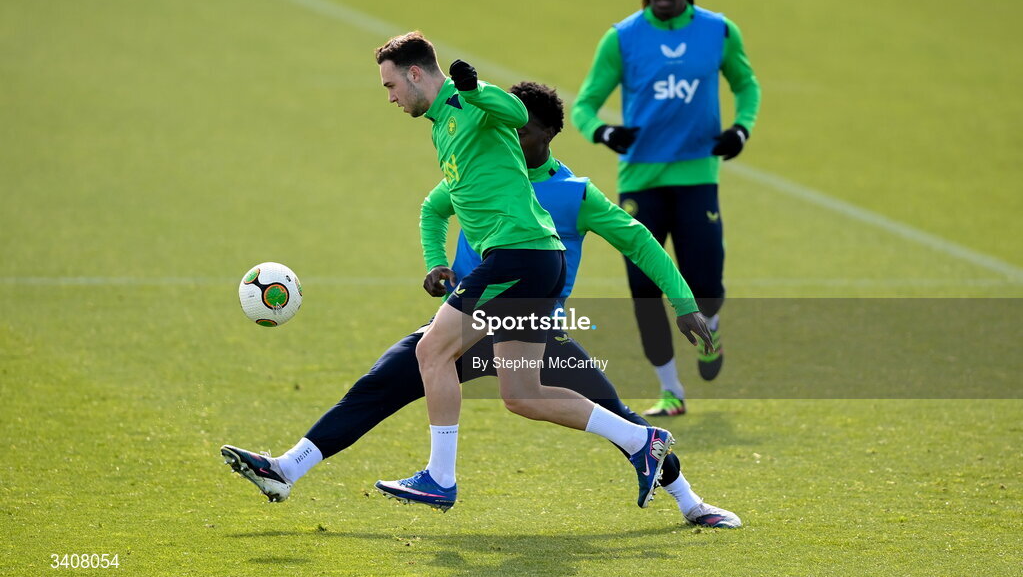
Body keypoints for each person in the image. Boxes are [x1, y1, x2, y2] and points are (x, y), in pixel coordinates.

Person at [220, 81, 740, 528]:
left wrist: (683, 302)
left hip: (533, 326)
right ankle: (286, 469)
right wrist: (434, 261)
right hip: (465, 320)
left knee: (608, 410)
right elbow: (433, 209)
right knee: (379, 385)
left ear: (548, 136)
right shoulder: (479, 167)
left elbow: (640, 242)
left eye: (523, 130)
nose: (510, 136)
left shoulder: (574, 194)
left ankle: (691, 503)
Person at [371, 32, 712, 512]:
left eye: (390, 85)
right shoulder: (448, 127)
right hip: (533, 270)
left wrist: (475, 89)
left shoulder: (478, 111)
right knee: (523, 395)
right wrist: (436, 260)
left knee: (431, 351)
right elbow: (434, 207)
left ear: (414, 73)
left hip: (519, 262)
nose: (389, 96)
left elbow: (510, 113)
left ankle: (440, 478)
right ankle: (642, 441)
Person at [572, 0, 762, 417]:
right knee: (644, 287)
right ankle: (670, 390)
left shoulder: (718, 31)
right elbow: (583, 105)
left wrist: (741, 128)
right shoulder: (623, 38)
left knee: (707, 284)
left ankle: (710, 329)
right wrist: (604, 131)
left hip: (698, 175)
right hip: (640, 180)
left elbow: (747, 85)